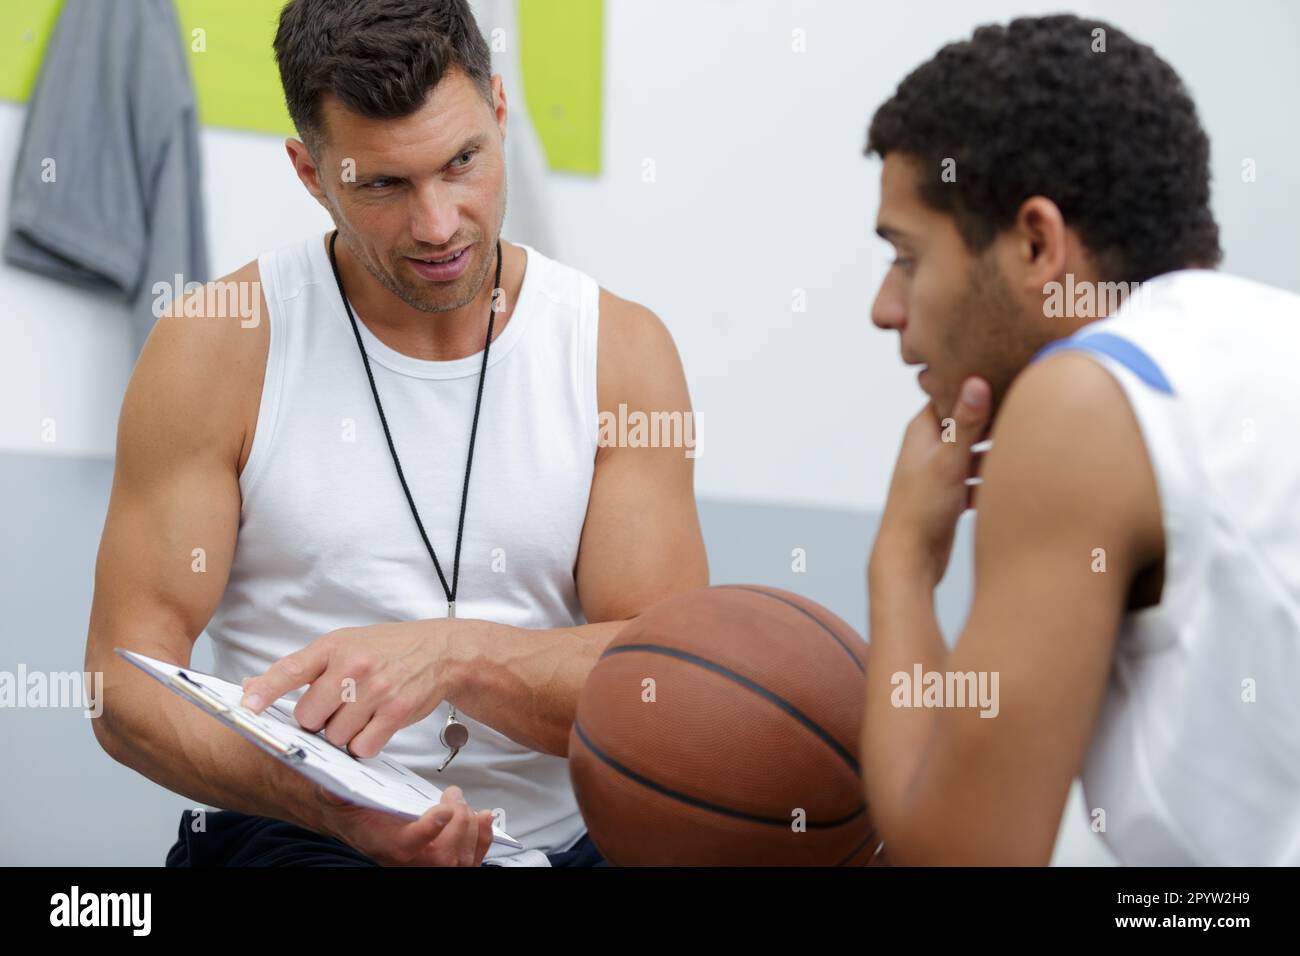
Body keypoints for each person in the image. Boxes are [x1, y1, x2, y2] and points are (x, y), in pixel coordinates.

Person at [85, 0, 707, 868]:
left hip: (568, 847)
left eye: (462, 163)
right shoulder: (215, 344)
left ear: (498, 111)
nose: (439, 224)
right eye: (383, 184)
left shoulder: (622, 353)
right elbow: (122, 687)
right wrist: (332, 803)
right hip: (297, 835)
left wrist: (455, 657)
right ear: (311, 173)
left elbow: (664, 689)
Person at [860, 14, 1300, 865]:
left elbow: (957, 858)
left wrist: (902, 566)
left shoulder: (1082, 402)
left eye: (907, 258)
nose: (885, 307)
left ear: (1036, 243)